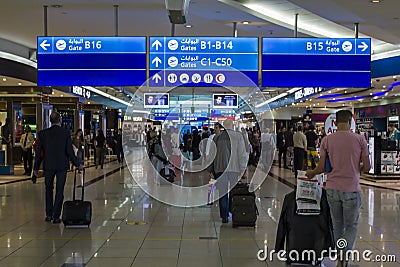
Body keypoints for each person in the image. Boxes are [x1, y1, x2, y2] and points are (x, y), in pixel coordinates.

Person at [306, 110, 370, 267]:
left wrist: (311, 173)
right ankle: (344, 255)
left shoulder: (327, 140)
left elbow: (321, 167)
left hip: (332, 189)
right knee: (351, 226)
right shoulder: (360, 139)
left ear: (335, 122)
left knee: (337, 226)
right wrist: (357, 168)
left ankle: (341, 254)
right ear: (350, 122)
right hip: (351, 189)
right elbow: (367, 167)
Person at [33, 112, 83, 224]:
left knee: (48, 189)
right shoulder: (65, 133)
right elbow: (69, 151)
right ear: (60, 120)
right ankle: (56, 216)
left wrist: (36, 167)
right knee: (59, 190)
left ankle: (48, 214)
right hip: (61, 165)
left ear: (50, 121)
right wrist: (77, 164)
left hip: (49, 165)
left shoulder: (43, 134)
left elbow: (39, 152)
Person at [208, 119, 247, 223]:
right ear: (233, 125)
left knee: (223, 192)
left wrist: (211, 169)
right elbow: (242, 154)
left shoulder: (217, 137)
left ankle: (224, 216)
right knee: (234, 192)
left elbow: (212, 155)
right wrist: (243, 169)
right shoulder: (238, 136)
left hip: (220, 169)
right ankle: (233, 212)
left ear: (223, 126)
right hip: (234, 169)